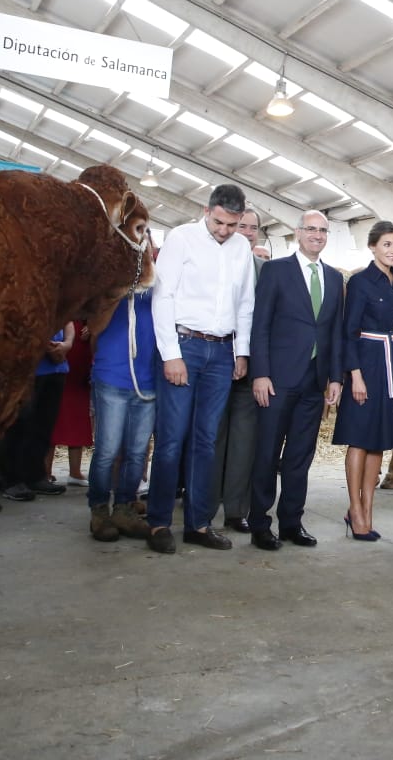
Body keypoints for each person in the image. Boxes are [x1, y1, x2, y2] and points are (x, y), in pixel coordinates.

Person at [146, 185, 257, 555]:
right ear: (205, 210)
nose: (225, 230)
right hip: (186, 346)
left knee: (206, 441)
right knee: (171, 439)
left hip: (222, 350)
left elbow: (245, 303)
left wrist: (241, 352)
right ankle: (159, 521)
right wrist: (170, 354)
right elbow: (163, 297)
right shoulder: (182, 238)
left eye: (233, 224)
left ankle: (197, 523)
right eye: (219, 222)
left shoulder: (241, 247)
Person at [247, 210, 344, 551]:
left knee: (300, 455)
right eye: (311, 229)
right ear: (298, 233)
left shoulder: (333, 278)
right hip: (277, 379)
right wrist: (260, 373)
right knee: (267, 452)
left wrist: (335, 377)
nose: (317, 235)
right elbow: (259, 325)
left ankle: (291, 522)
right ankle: (259, 522)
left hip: (314, 381)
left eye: (323, 231)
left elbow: (334, 332)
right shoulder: (276, 271)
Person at [332, 220, 393, 541]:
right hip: (366, 365)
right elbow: (348, 332)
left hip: (391, 363)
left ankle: (368, 511)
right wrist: (355, 376)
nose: (392, 250)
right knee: (359, 438)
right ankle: (355, 509)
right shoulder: (360, 282)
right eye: (386, 244)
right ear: (372, 247)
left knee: (379, 439)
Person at [86, 288, 156, 543]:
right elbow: (93, 328)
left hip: (147, 382)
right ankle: (99, 510)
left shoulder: (158, 290)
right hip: (112, 378)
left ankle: (125, 507)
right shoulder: (109, 291)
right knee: (107, 450)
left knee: (137, 451)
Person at [215, 207, 267, 533]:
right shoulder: (215, 263)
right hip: (215, 364)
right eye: (242, 226)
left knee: (244, 444)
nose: (247, 232)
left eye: (252, 228)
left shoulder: (267, 270)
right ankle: (203, 508)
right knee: (212, 440)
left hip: (251, 371)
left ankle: (236, 511)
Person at [0, 324, 75, 502]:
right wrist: (46, 346)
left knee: (45, 424)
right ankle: (12, 479)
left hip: (57, 366)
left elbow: (68, 321)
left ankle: (35, 475)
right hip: (28, 367)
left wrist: (67, 343)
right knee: (20, 423)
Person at [48, 320, 93, 485]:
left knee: (79, 414)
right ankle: (45, 471)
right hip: (62, 343)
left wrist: (94, 325)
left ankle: (75, 472)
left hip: (82, 345)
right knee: (54, 415)